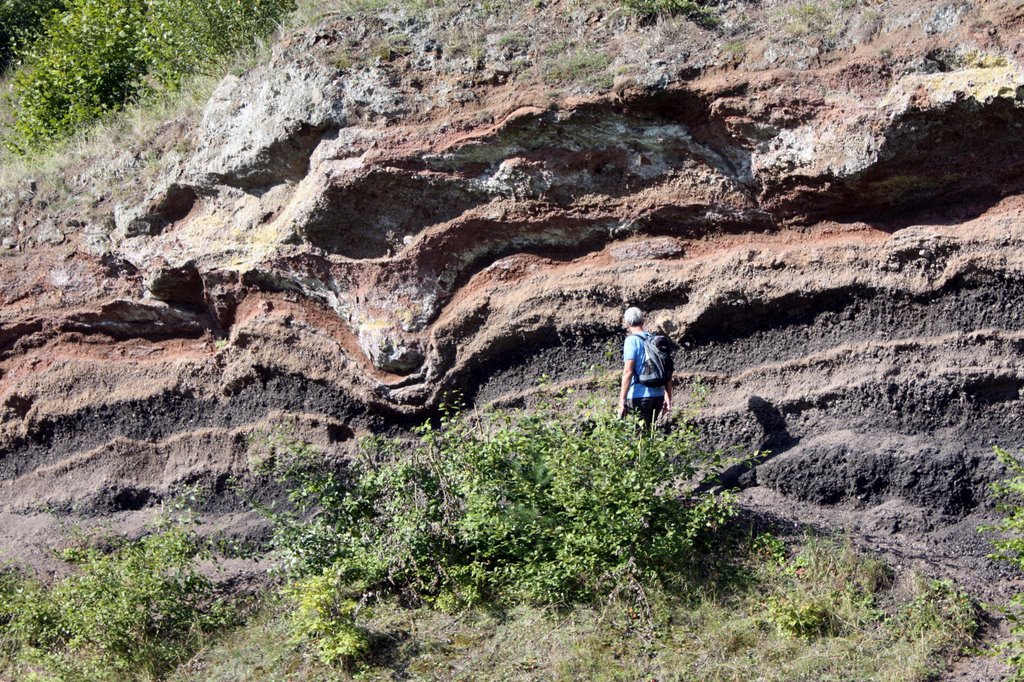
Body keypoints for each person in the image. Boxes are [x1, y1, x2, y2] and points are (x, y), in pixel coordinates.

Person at [618, 306, 672, 426]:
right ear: (643, 321)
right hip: (658, 396)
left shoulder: (631, 341)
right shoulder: (655, 340)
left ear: (627, 323)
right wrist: (668, 396)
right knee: (648, 434)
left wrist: (621, 400)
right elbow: (667, 370)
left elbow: (628, 371)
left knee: (637, 437)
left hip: (639, 396)